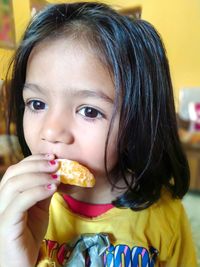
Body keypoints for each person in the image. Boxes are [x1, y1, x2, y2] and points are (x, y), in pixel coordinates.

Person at [0, 2, 197, 267]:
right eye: (36, 104)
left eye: (90, 111)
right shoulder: (17, 214)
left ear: (137, 119)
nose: (51, 131)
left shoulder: (166, 218)